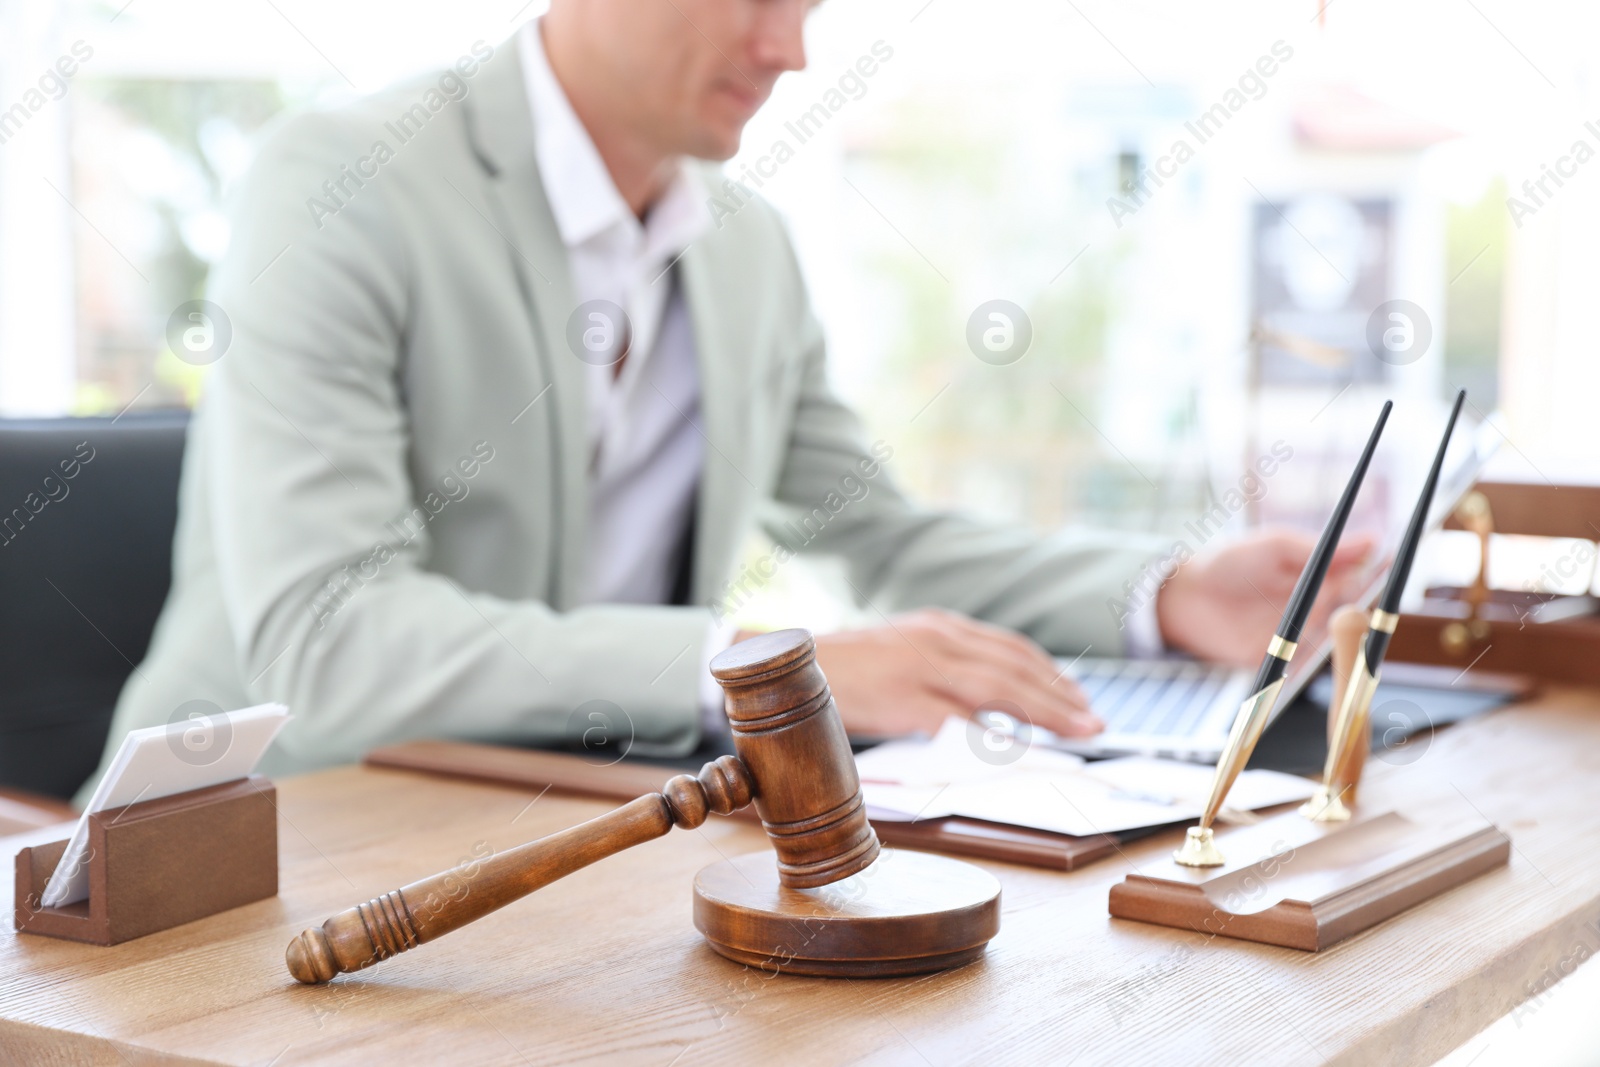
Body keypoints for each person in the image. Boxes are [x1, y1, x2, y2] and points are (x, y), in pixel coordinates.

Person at [83, 0, 1369, 790]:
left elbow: (878, 533)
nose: (793, 48)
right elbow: (332, 640)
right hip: (259, 844)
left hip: (570, 839)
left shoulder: (743, 245)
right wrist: (757, 666)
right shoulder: (346, 181)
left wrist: (1159, 595)